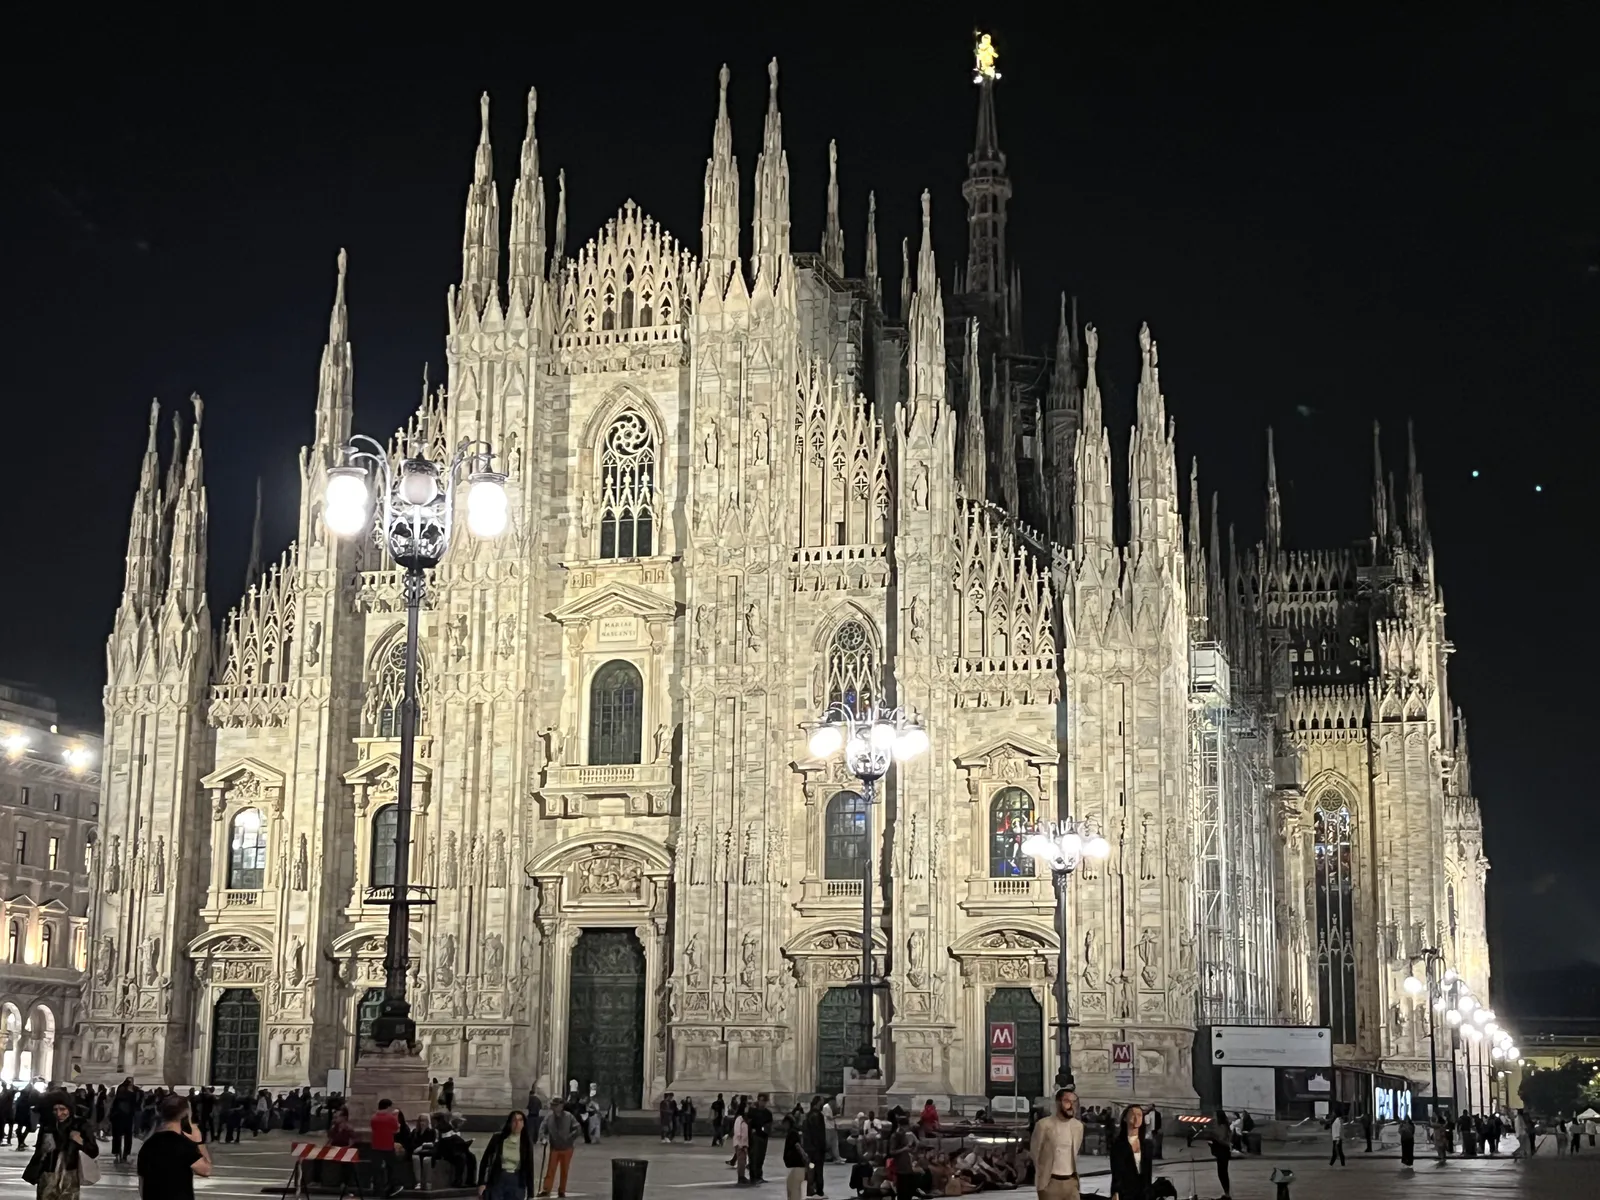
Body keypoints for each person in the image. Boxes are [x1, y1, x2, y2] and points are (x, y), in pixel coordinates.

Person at [23, 1094, 99, 1200]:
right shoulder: (48, 1126)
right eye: (55, 1110)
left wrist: (80, 1141)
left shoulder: (80, 1124)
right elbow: (39, 1150)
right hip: (48, 1174)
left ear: (70, 1109)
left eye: (62, 1109)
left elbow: (94, 1151)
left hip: (70, 1174)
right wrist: (44, 1149)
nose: (59, 1113)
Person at [136, 1092, 210, 1200]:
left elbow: (142, 1184)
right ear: (186, 1115)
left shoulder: (148, 1144)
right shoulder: (184, 1144)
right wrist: (199, 1142)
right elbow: (205, 1170)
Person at [1028, 1088, 1085, 1200]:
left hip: (1071, 1183)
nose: (1071, 1105)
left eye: (1074, 1102)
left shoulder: (1078, 1126)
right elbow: (1035, 1153)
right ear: (1058, 1103)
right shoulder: (1043, 1125)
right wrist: (1041, 1181)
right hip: (1050, 1183)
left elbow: (1075, 1151)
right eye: (1067, 1101)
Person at [478, 1109, 537, 1200]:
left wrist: (531, 1194)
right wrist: (481, 1183)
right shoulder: (498, 1139)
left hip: (516, 1181)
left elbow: (529, 1168)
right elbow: (485, 1161)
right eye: (514, 1120)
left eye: (520, 1120)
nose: (517, 1124)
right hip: (499, 1179)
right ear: (509, 1123)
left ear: (524, 1123)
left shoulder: (526, 1142)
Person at [537, 1097, 581, 1199]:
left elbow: (578, 1129)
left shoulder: (569, 1116)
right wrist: (543, 1138)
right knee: (551, 1169)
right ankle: (546, 1189)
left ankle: (562, 1190)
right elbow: (542, 1129)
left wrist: (570, 1138)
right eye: (552, 1105)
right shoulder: (549, 1117)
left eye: (555, 1105)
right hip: (555, 1148)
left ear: (561, 1106)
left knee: (564, 1170)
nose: (553, 1107)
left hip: (567, 1148)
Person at [1108, 1104, 1153, 1200]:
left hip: (1144, 1193)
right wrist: (1115, 1192)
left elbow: (1148, 1172)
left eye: (1139, 1115)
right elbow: (1116, 1172)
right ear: (1125, 1118)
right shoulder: (1118, 1145)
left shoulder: (1147, 1145)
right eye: (1133, 1114)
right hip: (1126, 1193)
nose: (1136, 1118)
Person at [370, 1098, 402, 1198]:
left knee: (377, 1170)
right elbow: (396, 1130)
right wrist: (396, 1117)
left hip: (376, 1146)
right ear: (388, 1106)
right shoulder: (390, 1117)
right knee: (392, 1167)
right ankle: (391, 1187)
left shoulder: (374, 1117)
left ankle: (377, 1191)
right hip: (387, 1146)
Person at [108, 1078, 139, 1165]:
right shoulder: (125, 1089)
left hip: (124, 1116)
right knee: (122, 1136)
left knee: (123, 1136)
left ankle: (122, 1154)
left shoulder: (132, 1090)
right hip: (121, 1116)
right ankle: (121, 1154)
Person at [801, 1097, 827, 1198]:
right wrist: (822, 1147)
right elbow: (818, 1133)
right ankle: (818, 1190)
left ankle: (810, 1189)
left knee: (811, 1168)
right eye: (821, 1103)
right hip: (817, 1150)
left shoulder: (809, 1115)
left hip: (810, 1148)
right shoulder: (817, 1115)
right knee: (818, 1169)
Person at [783, 1114, 812, 1200]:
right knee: (792, 1189)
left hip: (797, 1166)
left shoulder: (792, 1133)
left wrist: (805, 1159)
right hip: (796, 1166)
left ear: (788, 1123)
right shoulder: (793, 1132)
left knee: (794, 1191)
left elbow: (798, 1146)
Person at [748, 1094, 773, 1185]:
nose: (762, 1102)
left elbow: (769, 1125)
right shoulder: (753, 1112)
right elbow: (749, 1123)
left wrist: (766, 1130)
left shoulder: (768, 1113)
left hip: (763, 1137)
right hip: (755, 1137)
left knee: (761, 1157)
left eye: (764, 1101)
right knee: (754, 1157)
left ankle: (759, 1176)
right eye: (760, 1100)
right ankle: (753, 1177)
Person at [1207, 1111, 1232, 1199]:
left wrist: (1214, 1136)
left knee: (1223, 1173)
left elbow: (1222, 1139)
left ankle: (1227, 1194)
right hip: (1221, 1151)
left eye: (1215, 1116)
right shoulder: (1220, 1126)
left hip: (1223, 1151)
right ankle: (1226, 1193)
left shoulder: (1223, 1126)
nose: (1214, 1117)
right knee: (1221, 1173)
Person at [731, 1105, 750, 1186]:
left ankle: (742, 1175)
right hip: (739, 1143)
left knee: (743, 1160)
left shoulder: (746, 1121)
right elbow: (738, 1132)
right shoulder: (739, 1120)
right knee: (741, 1161)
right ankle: (740, 1177)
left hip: (744, 1143)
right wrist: (740, 1144)